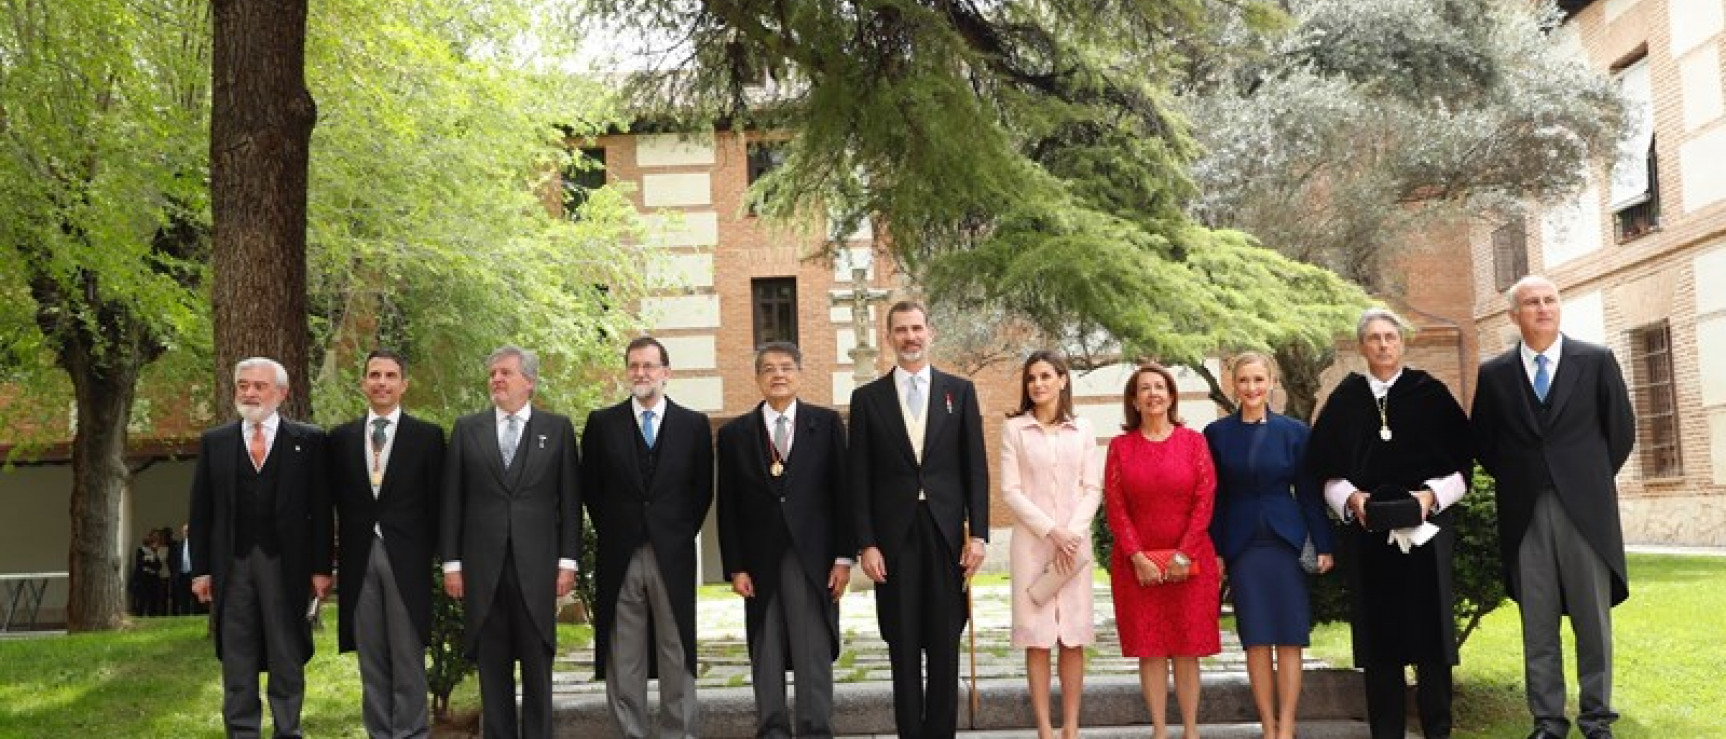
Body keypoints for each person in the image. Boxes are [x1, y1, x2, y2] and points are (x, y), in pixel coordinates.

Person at [1471, 276, 1635, 739]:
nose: (1542, 309)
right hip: (1525, 511)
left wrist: (1587, 480)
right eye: (1531, 303)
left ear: (1559, 308)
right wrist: (1523, 476)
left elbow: (1620, 430)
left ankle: (1597, 718)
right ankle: (1547, 721)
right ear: (1514, 315)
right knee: (1537, 622)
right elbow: (1484, 441)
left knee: (1592, 621)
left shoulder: (1596, 360)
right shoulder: (1494, 374)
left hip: (1586, 511)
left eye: (1550, 301)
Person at [1308, 308, 1473, 739]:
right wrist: (1352, 499)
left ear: (1402, 343)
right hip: (1368, 538)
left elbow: (1463, 466)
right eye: (1374, 338)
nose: (1383, 345)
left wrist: (1430, 497)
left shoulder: (1430, 394)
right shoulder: (1345, 400)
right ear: (1362, 346)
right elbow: (1322, 470)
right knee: (1381, 645)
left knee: (1432, 640)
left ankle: (1438, 729)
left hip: (1427, 533)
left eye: (1390, 337)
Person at [849, 300, 989, 738]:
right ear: (889, 337)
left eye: (916, 329)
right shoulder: (867, 399)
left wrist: (979, 536)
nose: (910, 337)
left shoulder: (959, 392)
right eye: (901, 330)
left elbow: (975, 469)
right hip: (893, 541)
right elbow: (859, 478)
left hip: (946, 536)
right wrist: (866, 543)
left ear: (931, 333)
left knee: (945, 642)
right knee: (903, 645)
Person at [187, 356, 333, 739]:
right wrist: (201, 569)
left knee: (286, 654)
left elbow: (321, 511)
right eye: (243, 385)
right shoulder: (215, 442)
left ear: (281, 393)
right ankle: (241, 731)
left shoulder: (309, 441)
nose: (249, 393)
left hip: (286, 566)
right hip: (232, 568)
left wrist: (322, 568)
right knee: (237, 658)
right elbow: (201, 512)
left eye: (259, 386)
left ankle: (288, 730)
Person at [440, 346, 580, 739]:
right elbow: (453, 501)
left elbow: (570, 502)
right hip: (483, 572)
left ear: (529, 382)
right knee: (492, 671)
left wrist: (567, 562)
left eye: (505, 373)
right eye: (492, 374)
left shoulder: (558, 429)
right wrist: (452, 564)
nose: (496, 380)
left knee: (538, 669)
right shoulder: (468, 429)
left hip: (538, 571)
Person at [716, 342, 852, 738]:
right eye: (769, 368)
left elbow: (842, 494)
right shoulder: (734, 435)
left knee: (812, 648)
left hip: (814, 556)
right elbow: (728, 506)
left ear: (799, 374)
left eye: (786, 367)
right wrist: (736, 565)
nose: (778, 374)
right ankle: (772, 727)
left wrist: (844, 556)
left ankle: (815, 728)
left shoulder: (825, 425)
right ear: (758, 378)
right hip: (759, 560)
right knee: (767, 646)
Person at [582, 336, 714, 739]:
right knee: (624, 657)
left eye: (649, 366)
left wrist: (673, 533)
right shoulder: (601, 424)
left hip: (672, 554)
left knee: (676, 651)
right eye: (634, 366)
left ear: (666, 373)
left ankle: (680, 733)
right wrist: (619, 530)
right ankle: (630, 733)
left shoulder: (693, 424)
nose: (641, 373)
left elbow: (701, 490)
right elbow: (592, 490)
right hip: (620, 552)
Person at [1205, 352, 1335, 739]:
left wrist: (1324, 544)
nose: (1251, 388)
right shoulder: (1217, 434)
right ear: (1234, 385)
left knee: (1290, 636)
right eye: (1244, 380)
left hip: (1286, 542)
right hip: (1243, 546)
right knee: (1257, 638)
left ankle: (1288, 728)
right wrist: (1215, 550)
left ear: (1272, 383)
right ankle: (1267, 726)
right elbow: (1216, 497)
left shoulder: (1295, 432)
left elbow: (1309, 493)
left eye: (1259, 380)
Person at [329, 349, 446, 738]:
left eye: (390, 375)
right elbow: (329, 500)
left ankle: (411, 732)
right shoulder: (341, 439)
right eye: (374, 375)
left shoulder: (427, 438)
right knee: (372, 657)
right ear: (363, 383)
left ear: (403, 384)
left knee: (408, 656)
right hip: (358, 559)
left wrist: (444, 560)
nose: (382, 382)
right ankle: (379, 732)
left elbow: (439, 503)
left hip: (407, 560)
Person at [1103, 362, 1220, 739]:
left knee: (1187, 649)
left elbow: (1205, 499)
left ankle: (1190, 731)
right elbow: (1115, 506)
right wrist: (1137, 556)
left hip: (1190, 562)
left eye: (1160, 387)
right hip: (1138, 567)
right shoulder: (1120, 447)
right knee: (1150, 649)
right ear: (1134, 401)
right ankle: (1159, 730)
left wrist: (1183, 554)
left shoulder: (1194, 442)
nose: (1153, 394)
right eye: (1144, 389)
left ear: (1171, 396)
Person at [1000, 350, 1100, 739]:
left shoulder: (1084, 429)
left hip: (1073, 549)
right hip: (1033, 545)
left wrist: (1071, 533)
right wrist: (1051, 531)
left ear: (1062, 379)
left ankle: (1071, 727)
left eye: (1046, 376)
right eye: (1031, 378)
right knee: (1038, 639)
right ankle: (1044, 727)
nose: (1038, 384)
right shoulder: (1015, 430)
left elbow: (1092, 487)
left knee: (1072, 637)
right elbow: (1010, 490)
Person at [131, 530, 165, 617]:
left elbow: (158, 566)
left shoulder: (155, 552)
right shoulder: (140, 550)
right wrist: (149, 562)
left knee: (153, 597)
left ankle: (152, 614)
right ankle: (140, 614)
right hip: (143, 578)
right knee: (142, 597)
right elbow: (140, 564)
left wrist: (149, 561)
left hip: (153, 578)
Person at [171, 523, 197, 615]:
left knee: (194, 597)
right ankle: (184, 614)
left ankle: (195, 614)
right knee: (183, 597)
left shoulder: (196, 544)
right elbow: (173, 561)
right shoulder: (178, 545)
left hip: (192, 574)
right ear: (182, 532)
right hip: (182, 575)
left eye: (188, 531)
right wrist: (175, 574)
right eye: (185, 531)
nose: (187, 533)